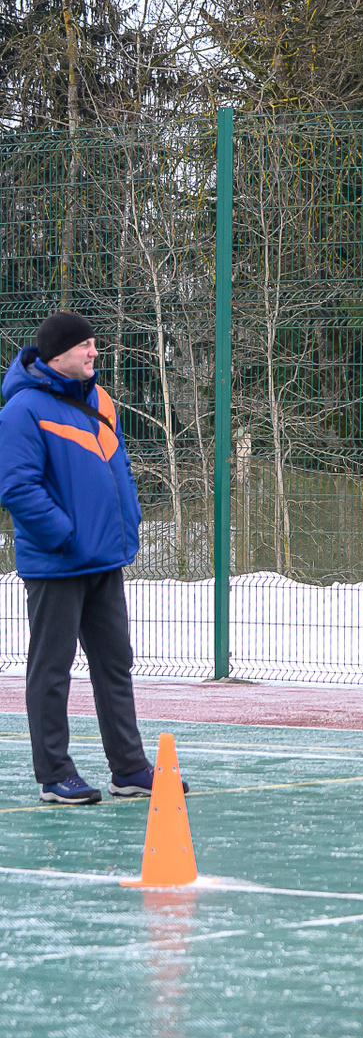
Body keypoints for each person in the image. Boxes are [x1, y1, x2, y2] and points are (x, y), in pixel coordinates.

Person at [0, 312, 167, 805]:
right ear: (58, 356)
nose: (95, 352)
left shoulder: (101, 400)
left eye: (95, 343)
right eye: (85, 345)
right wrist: (65, 537)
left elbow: (121, 465)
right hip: (58, 563)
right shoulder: (23, 410)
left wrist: (129, 516)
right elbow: (17, 487)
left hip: (104, 559)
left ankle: (129, 769)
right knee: (51, 670)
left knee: (115, 665)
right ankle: (54, 774)